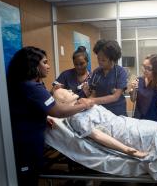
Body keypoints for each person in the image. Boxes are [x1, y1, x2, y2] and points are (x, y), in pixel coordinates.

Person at [6, 46, 94, 186]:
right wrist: (84, 105)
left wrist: (44, 117)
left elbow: (31, 108)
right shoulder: (32, 87)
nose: (48, 66)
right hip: (26, 144)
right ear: (34, 65)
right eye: (45, 62)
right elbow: (59, 111)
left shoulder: (29, 85)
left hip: (28, 137)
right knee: (27, 180)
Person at [87, 39, 128, 116]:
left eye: (103, 60)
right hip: (100, 112)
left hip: (117, 113)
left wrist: (92, 100)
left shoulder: (120, 72)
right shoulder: (96, 72)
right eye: (98, 58)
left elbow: (115, 97)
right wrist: (87, 101)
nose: (100, 62)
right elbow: (93, 93)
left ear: (112, 59)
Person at [129, 54, 157, 123]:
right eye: (144, 67)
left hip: (154, 122)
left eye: (149, 68)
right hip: (138, 120)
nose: (145, 70)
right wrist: (133, 89)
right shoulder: (139, 80)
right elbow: (133, 99)